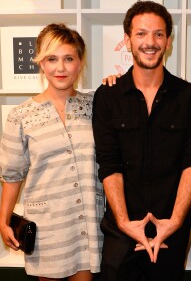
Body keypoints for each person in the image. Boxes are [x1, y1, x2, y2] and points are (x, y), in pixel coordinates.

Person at [92, 0, 191, 281]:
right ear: (128, 40)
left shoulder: (188, 96)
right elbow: (109, 164)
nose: (150, 42)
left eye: (158, 34)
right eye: (141, 34)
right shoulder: (108, 96)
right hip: (122, 230)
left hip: (171, 229)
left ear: (168, 40)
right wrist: (125, 223)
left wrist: (175, 222)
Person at [0, 23, 104, 281]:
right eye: (52, 59)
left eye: (69, 58)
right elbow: (12, 176)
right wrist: (3, 222)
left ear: (80, 62)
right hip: (48, 226)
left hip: (88, 224)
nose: (61, 67)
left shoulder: (97, 106)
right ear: (41, 64)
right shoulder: (20, 115)